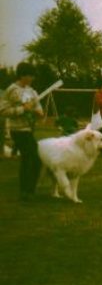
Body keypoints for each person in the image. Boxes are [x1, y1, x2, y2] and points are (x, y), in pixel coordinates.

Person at [0, 62, 43, 200]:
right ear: (22, 75)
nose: (32, 78)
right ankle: (26, 191)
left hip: (29, 129)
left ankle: (28, 190)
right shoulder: (12, 90)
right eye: (30, 75)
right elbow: (3, 110)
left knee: (32, 160)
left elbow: (38, 107)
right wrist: (22, 109)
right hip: (17, 130)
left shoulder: (32, 91)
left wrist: (38, 112)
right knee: (31, 158)